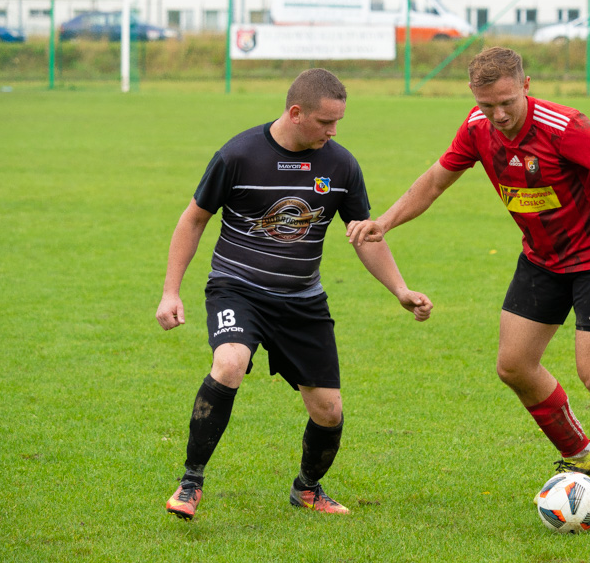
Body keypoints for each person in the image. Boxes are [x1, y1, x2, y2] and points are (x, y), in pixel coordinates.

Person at [346, 47, 590, 518]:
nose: (497, 115)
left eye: (506, 102)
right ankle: (580, 456)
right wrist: (385, 222)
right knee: (514, 365)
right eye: (486, 104)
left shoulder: (567, 128)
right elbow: (435, 181)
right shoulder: (477, 129)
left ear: (526, 87)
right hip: (542, 259)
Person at [157, 68, 433, 520]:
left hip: (302, 300)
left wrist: (400, 290)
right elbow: (193, 219)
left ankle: (307, 489)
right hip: (237, 288)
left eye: (339, 122)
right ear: (296, 112)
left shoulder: (341, 165)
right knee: (229, 363)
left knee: (328, 411)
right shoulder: (238, 155)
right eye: (326, 122)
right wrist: (171, 292)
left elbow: (364, 234)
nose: (334, 131)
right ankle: (190, 483)